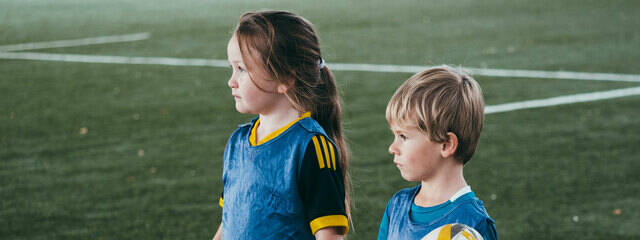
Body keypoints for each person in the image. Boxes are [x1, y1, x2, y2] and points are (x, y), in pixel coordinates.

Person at [212, 10, 350, 240]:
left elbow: (329, 236)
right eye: (232, 68)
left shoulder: (311, 148)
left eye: (242, 69)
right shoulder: (237, 143)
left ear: (285, 78)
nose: (231, 81)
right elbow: (229, 221)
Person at [377, 66, 497, 240]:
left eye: (403, 136)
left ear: (446, 145)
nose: (392, 148)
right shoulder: (397, 206)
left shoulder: (473, 224)